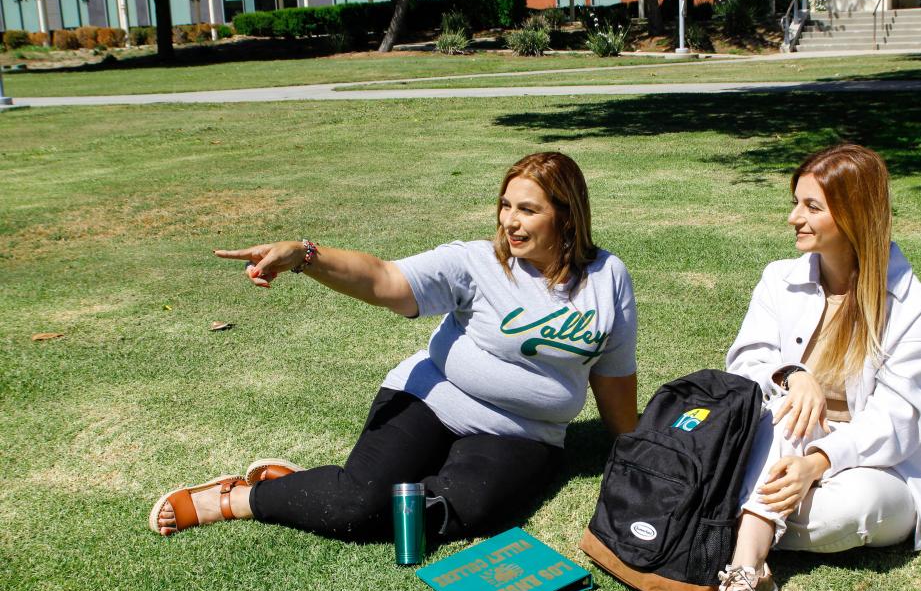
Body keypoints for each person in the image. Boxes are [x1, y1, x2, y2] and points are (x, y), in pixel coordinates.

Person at [150, 152, 638, 543]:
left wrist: (630, 450)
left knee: (456, 513)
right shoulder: (475, 262)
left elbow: (613, 373)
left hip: (523, 433)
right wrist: (306, 256)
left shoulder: (606, 277)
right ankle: (240, 496)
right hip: (432, 398)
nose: (510, 221)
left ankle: (302, 486)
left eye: (527, 210)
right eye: (505, 205)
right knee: (357, 506)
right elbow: (384, 277)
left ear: (567, 216)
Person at [703, 144, 921, 591]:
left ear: (853, 214)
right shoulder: (779, 279)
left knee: (852, 509)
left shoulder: (914, 307)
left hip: (876, 465)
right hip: (787, 436)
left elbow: (899, 421)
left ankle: (735, 519)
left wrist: (819, 462)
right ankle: (747, 572)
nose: (793, 217)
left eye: (811, 207)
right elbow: (745, 361)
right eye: (796, 202)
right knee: (786, 415)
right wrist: (793, 374)